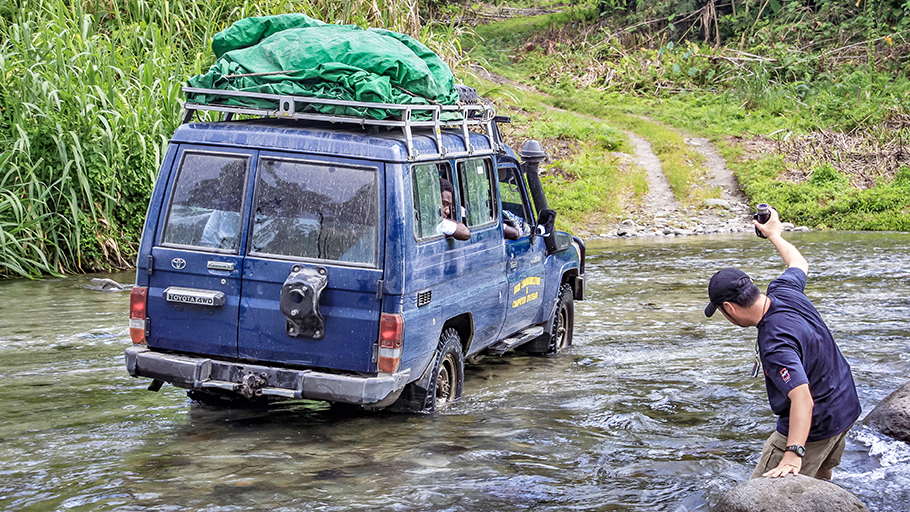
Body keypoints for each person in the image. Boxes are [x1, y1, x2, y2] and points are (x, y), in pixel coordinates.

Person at [704, 206, 861, 480]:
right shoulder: (783, 290)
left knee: (760, 496)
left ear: (729, 308)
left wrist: (793, 451)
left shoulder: (774, 342)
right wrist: (775, 234)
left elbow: (802, 398)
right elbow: (799, 264)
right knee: (820, 480)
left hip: (817, 424)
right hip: (845, 405)